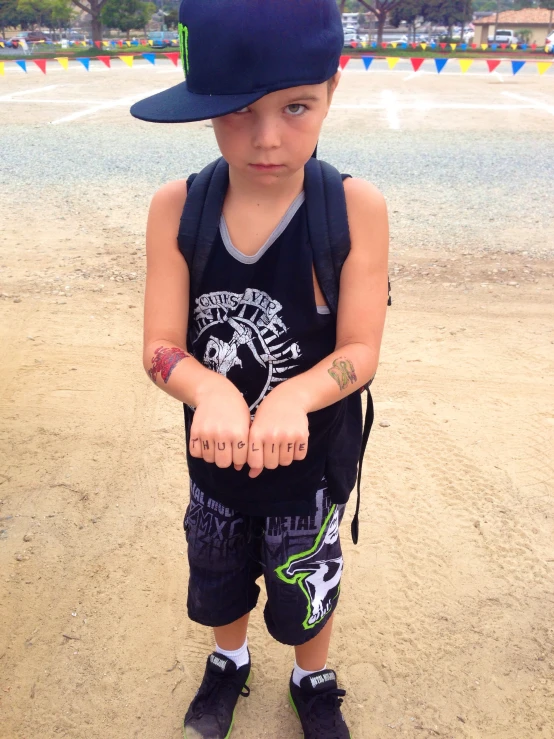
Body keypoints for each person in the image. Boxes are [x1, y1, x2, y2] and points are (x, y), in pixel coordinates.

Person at [130, 0, 389, 736]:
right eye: (240, 110)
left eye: (297, 106)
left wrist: (294, 397)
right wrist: (204, 384)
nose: (269, 137)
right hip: (213, 465)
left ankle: (313, 675)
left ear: (331, 91)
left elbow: (359, 351)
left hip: (309, 469)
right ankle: (228, 662)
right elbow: (160, 345)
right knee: (218, 578)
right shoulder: (177, 207)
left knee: (307, 581)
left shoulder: (351, 209)